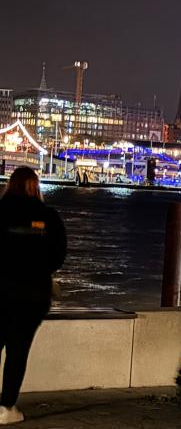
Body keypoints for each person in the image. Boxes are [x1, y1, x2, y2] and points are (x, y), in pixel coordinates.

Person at [0, 167, 66, 425]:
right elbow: (58, 255)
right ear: (34, 186)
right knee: (18, 351)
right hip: (31, 294)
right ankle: (6, 407)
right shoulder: (48, 216)